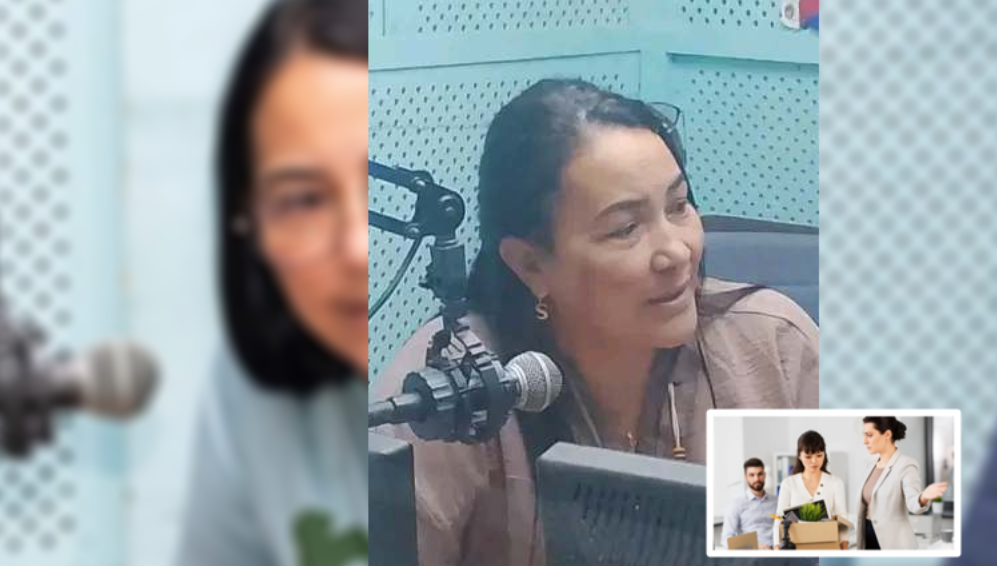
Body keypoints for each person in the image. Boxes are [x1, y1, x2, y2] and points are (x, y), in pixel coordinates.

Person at [373, 79, 819, 566]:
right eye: (625, 228)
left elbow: (843, 538)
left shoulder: (770, 345)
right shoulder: (453, 397)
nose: (676, 251)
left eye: (679, 206)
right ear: (531, 265)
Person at [177, 2, 368, 565]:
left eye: (379, 188)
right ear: (247, 221)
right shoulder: (249, 397)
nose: (357, 248)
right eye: (303, 200)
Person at [857, 416, 948, 550]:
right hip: (867, 536)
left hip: (893, 542)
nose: (865, 441)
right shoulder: (870, 465)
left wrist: (923, 497)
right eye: (864, 435)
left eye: (869, 435)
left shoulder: (906, 465)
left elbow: (913, 504)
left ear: (887, 434)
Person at [774, 430, 848, 550]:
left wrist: (845, 551)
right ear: (799, 455)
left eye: (819, 455)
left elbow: (842, 519)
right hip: (798, 548)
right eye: (808, 457)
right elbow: (779, 519)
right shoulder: (788, 484)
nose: (814, 461)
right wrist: (777, 549)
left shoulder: (836, 483)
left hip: (826, 546)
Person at [722, 458, 777, 549]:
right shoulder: (736, 505)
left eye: (760, 474)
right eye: (752, 475)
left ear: (764, 475)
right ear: (746, 477)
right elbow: (726, 539)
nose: (756, 479)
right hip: (752, 553)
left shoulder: (777, 501)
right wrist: (753, 547)